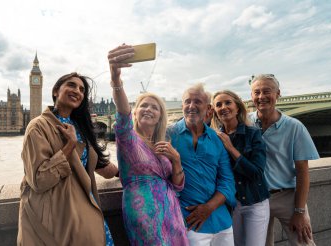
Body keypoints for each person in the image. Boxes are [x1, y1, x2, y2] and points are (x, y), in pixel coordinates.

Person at [17, 72, 118, 246]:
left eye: (81, 89)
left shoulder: (79, 126)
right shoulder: (37, 126)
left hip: (85, 210)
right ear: (56, 91)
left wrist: (126, 173)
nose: (77, 91)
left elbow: (94, 164)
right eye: (71, 85)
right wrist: (69, 146)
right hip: (58, 216)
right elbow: (39, 180)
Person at [107, 44, 188, 245]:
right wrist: (116, 79)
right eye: (143, 105)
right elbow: (122, 112)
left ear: (161, 115)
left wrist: (176, 160)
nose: (148, 109)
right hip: (143, 211)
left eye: (155, 107)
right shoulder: (128, 138)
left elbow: (177, 186)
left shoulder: (163, 144)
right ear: (135, 112)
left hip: (171, 209)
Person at [249, 74, 319, 246]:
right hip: (256, 198)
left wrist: (300, 211)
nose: (261, 96)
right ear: (251, 96)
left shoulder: (295, 127)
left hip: (287, 197)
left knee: (303, 242)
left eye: (267, 91)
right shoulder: (245, 122)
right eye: (256, 92)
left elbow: (303, 172)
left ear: (278, 93)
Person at [167, 83, 236, 246]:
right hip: (188, 222)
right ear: (182, 105)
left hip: (222, 222)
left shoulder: (217, 139)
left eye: (197, 101)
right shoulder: (168, 135)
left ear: (208, 108)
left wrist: (208, 208)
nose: (191, 106)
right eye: (187, 101)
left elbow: (227, 181)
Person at [211, 90, 270, 246]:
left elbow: (256, 173)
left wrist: (231, 148)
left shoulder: (253, 134)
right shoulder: (212, 138)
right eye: (218, 104)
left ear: (237, 107)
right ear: (215, 112)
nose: (223, 107)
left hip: (255, 202)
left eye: (228, 102)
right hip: (230, 205)